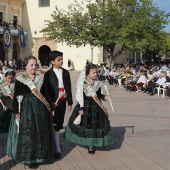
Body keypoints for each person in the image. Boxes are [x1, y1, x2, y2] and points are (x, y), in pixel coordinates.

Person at [6, 56, 55, 169]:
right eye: (31, 65)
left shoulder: (41, 78)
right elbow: (16, 96)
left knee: (40, 132)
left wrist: (51, 109)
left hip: (40, 109)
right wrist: (16, 112)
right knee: (29, 134)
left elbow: (46, 94)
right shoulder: (20, 79)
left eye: (35, 65)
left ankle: (40, 155)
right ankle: (29, 158)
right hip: (26, 109)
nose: (34, 67)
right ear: (25, 66)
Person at [64, 63, 114, 154]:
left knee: (95, 125)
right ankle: (88, 144)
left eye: (96, 72)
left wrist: (104, 97)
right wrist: (80, 108)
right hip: (86, 105)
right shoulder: (83, 83)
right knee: (86, 125)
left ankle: (92, 143)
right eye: (93, 73)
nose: (95, 74)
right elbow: (80, 97)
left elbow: (98, 95)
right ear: (88, 73)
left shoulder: (98, 82)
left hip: (96, 106)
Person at [42, 50, 73, 159]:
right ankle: (57, 148)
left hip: (62, 101)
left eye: (61, 59)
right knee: (54, 123)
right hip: (53, 102)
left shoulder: (66, 72)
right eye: (58, 60)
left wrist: (70, 101)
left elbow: (68, 87)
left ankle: (56, 143)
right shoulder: (48, 74)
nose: (61, 62)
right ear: (52, 61)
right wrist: (51, 104)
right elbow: (46, 91)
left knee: (59, 122)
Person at [0, 69, 15, 133]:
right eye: (9, 78)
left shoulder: (15, 83)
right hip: (4, 101)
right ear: (5, 77)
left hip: (12, 101)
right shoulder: (2, 83)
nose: (10, 80)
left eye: (11, 78)